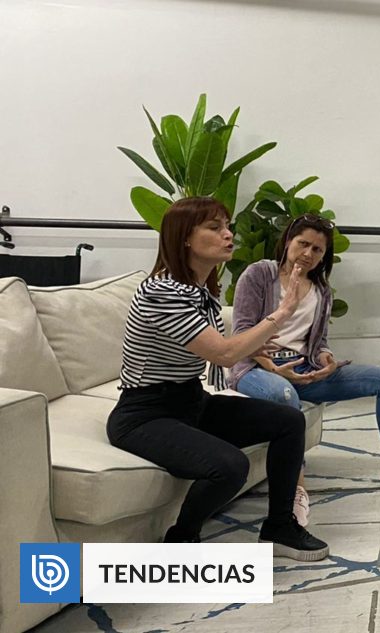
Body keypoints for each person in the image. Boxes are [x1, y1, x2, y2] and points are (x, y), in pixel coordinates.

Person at [106, 197, 329, 560]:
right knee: (229, 466)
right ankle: (179, 543)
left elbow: (227, 345)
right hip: (144, 415)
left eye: (227, 226)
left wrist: (256, 341)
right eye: (215, 227)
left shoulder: (199, 290)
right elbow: (224, 354)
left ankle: (279, 528)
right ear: (184, 237)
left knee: (289, 420)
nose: (228, 235)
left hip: (190, 401)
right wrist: (283, 311)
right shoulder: (163, 291)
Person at [231, 213, 380, 526]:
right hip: (257, 369)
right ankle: (295, 490)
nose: (308, 253)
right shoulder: (259, 274)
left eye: (317, 249)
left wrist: (326, 359)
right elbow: (242, 333)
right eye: (303, 244)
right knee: (284, 395)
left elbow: (319, 342)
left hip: (304, 369)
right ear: (288, 241)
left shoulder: (321, 289)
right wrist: (274, 368)